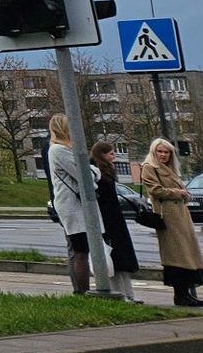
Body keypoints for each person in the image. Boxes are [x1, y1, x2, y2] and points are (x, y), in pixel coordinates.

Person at [140, 137, 203, 307]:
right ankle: (181, 294)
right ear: (153, 152)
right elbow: (155, 190)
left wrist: (182, 193)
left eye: (166, 152)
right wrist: (178, 193)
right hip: (168, 215)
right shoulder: (150, 167)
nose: (163, 155)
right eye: (160, 151)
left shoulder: (170, 169)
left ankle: (186, 292)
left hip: (180, 214)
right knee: (177, 255)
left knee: (187, 253)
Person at [45, 113, 95, 295]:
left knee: (79, 250)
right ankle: (82, 291)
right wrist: (93, 172)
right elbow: (84, 173)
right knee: (79, 250)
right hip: (72, 207)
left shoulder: (64, 149)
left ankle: (82, 289)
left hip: (73, 205)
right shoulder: (59, 150)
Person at [89, 141, 140, 302]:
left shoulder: (109, 170)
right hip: (106, 217)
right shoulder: (96, 171)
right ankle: (119, 293)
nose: (114, 156)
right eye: (111, 153)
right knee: (113, 257)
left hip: (115, 217)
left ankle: (128, 294)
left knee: (121, 258)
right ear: (102, 155)